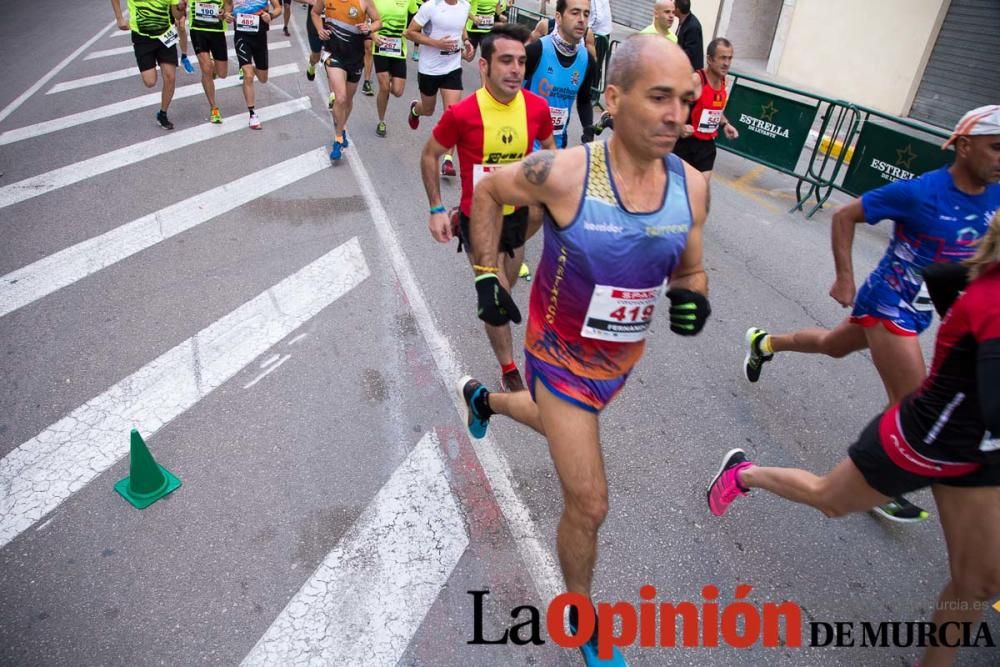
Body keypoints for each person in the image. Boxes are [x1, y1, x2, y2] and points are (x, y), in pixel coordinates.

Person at [458, 34, 710, 665]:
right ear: (615, 98)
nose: (676, 114)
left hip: (618, 365)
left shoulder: (694, 187)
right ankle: (580, 612)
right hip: (559, 357)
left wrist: (691, 294)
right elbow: (487, 193)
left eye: (684, 99)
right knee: (590, 501)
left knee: (545, 420)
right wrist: (487, 278)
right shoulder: (564, 173)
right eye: (659, 97)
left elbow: (691, 268)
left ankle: (484, 399)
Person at [708, 211, 1000, 667]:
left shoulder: (977, 280)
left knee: (978, 581)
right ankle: (744, 474)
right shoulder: (992, 297)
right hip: (921, 438)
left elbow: (944, 278)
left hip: (977, 452)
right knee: (830, 498)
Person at [743, 104, 1000, 523]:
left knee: (832, 345)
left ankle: (763, 343)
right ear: (965, 146)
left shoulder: (997, 193)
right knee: (914, 405)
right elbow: (846, 214)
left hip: (923, 308)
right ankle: (881, 482)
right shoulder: (921, 192)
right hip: (888, 302)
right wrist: (844, 277)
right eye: (997, 148)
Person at [422, 23, 556, 392]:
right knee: (495, 298)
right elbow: (430, 155)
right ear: (484, 66)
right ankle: (509, 368)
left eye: (521, 62)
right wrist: (435, 208)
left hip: (516, 219)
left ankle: (493, 293)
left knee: (506, 287)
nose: (516, 70)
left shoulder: (537, 108)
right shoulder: (462, 114)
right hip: (478, 218)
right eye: (506, 61)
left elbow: (549, 150)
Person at [405, 0, 475, 177]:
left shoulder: (465, 6)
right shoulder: (430, 7)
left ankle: (448, 160)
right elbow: (409, 32)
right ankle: (416, 109)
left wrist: (466, 42)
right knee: (428, 110)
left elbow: (460, 28)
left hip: (452, 67)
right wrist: (435, 43)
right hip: (429, 69)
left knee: (453, 114)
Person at [313, 0, 383, 160]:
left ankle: (342, 127)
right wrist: (319, 29)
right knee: (341, 97)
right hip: (333, 54)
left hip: (355, 57)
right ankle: (338, 138)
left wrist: (370, 27)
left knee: (348, 100)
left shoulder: (364, 2)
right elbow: (315, 13)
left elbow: (379, 21)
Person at [524, 0, 597, 148]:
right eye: (575, 13)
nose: (582, 19)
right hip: (525, 144)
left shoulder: (587, 60)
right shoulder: (536, 50)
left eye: (586, 14)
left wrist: (588, 131)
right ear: (558, 17)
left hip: (556, 146)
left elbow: (584, 100)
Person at [112, 0, 185, 130]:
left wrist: (180, 8)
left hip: (165, 35)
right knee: (150, 82)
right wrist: (119, 18)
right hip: (142, 36)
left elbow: (177, 15)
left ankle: (163, 114)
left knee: (170, 77)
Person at [231, 0, 282, 129]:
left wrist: (270, 15)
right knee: (248, 76)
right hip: (241, 35)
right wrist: (227, 14)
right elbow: (227, 6)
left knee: (263, 78)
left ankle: (247, 67)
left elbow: (278, 8)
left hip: (259, 36)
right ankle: (252, 115)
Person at [371, 0, 411, 136]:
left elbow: (416, 17)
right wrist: (373, 35)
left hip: (398, 49)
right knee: (384, 87)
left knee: (397, 91)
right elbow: (364, 19)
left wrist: (410, 31)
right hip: (380, 48)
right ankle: (381, 121)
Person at [188, 0, 232, 123]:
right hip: (197, 29)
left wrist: (226, 13)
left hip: (217, 31)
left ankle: (210, 67)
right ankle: (214, 108)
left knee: (222, 74)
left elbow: (228, 4)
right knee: (206, 69)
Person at [587, 0, 611, 104]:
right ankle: (590, 90)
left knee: (595, 63)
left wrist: (588, 28)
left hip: (599, 33)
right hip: (602, 32)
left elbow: (597, 17)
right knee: (594, 63)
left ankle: (593, 93)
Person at [673, 0, 702, 69]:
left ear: (677, 9)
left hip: (689, 72)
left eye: (673, 5)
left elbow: (690, 53)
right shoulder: (684, 21)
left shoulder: (693, 27)